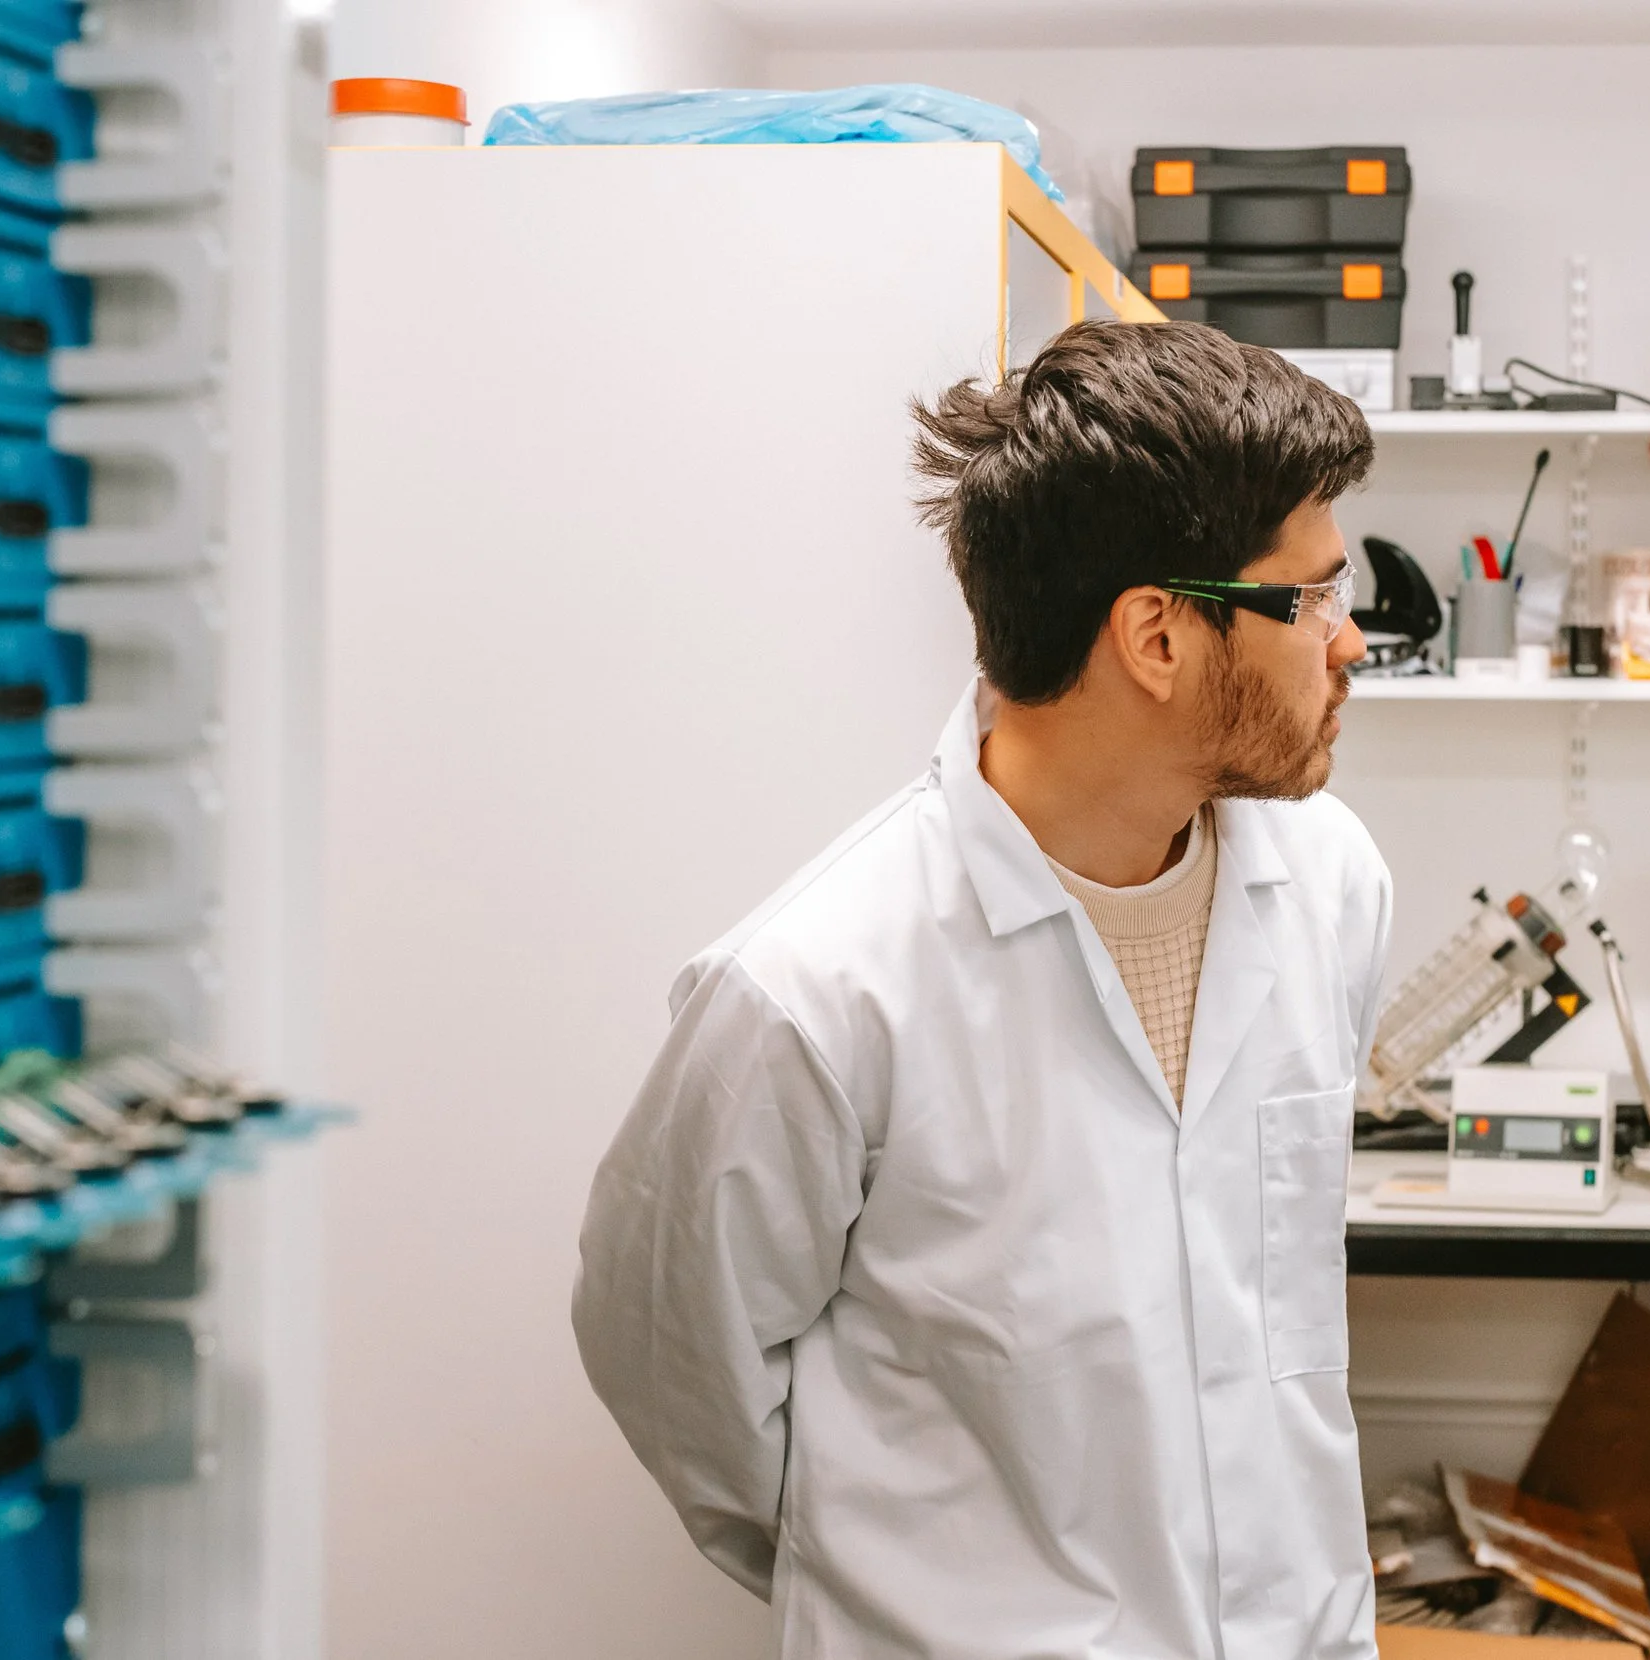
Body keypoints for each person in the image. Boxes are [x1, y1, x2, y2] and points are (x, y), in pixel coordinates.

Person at [572, 320, 1391, 1660]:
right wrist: (914, 1577)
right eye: (1308, 599)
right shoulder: (816, 994)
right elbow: (676, 1369)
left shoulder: (1331, 888)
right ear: (1158, 638)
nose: (1348, 642)